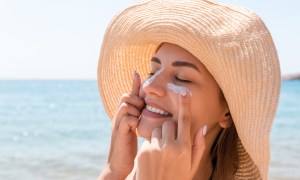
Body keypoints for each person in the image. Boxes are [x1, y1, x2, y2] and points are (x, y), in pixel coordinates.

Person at [97, 0, 281, 179]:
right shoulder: (138, 167)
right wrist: (113, 170)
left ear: (227, 113)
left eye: (182, 78)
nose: (149, 86)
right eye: (152, 71)